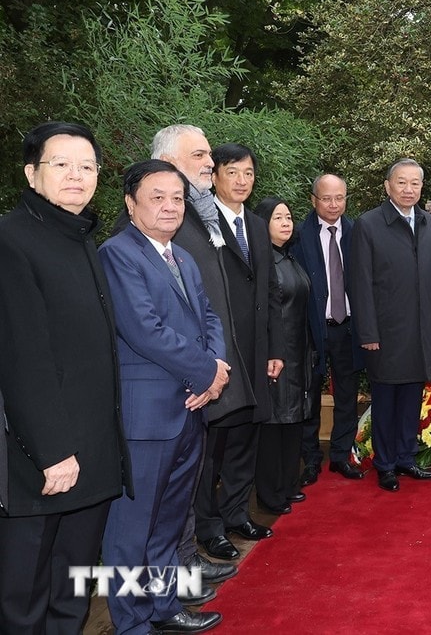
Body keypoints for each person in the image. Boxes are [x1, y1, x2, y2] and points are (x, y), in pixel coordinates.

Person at [0, 121, 129, 633]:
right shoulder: (11, 240)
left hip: (92, 457)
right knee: (25, 598)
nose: (76, 175)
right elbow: (22, 356)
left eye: (87, 166)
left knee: (73, 586)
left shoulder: (80, 237)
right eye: (61, 164)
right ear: (32, 175)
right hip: (42, 464)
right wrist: (52, 451)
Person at [99, 159, 228, 635]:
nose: (170, 206)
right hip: (147, 419)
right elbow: (144, 331)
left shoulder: (181, 256)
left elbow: (210, 319)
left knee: (169, 522)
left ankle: (163, 606)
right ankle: (132, 623)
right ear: (131, 204)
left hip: (190, 410)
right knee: (132, 530)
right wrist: (207, 373)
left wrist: (214, 370)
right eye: (157, 197)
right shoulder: (118, 254)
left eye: (177, 197)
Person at [148, 125, 241, 582]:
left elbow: (208, 307)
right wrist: (205, 370)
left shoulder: (199, 215)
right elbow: (154, 324)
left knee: (185, 486)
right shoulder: (152, 230)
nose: (210, 162)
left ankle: (186, 561)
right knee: (163, 497)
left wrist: (215, 365)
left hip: (201, 377)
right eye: (200, 155)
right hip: (170, 386)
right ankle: (171, 578)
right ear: (168, 161)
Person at [192, 143, 283, 556]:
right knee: (213, 446)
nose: (242, 181)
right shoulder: (196, 223)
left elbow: (271, 293)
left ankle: (237, 515)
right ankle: (209, 528)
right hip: (219, 354)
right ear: (214, 177)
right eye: (232, 172)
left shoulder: (258, 225)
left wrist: (274, 348)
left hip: (256, 350)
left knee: (246, 437)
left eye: (248, 173)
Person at [348, 159, 431, 492]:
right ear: (388, 186)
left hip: (422, 330)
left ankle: (407, 458)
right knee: (387, 401)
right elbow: (360, 284)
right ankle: (386, 464)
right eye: (402, 183)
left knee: (412, 398)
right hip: (386, 332)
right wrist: (368, 333)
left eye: (415, 184)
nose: (409, 190)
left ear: (423, 187)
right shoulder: (369, 224)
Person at [291, 174, 365, 486]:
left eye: (339, 198)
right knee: (309, 395)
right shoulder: (297, 236)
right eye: (326, 198)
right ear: (313, 200)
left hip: (348, 328)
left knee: (348, 395)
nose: (333, 205)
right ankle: (310, 460)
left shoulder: (357, 232)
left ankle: (340, 455)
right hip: (311, 330)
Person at [253, 197, 314, 514]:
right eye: (278, 218)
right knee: (274, 423)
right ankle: (269, 492)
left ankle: (289, 484)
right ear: (262, 224)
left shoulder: (290, 259)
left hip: (298, 351)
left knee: (293, 420)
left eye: (289, 217)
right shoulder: (261, 263)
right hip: (275, 354)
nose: (286, 223)